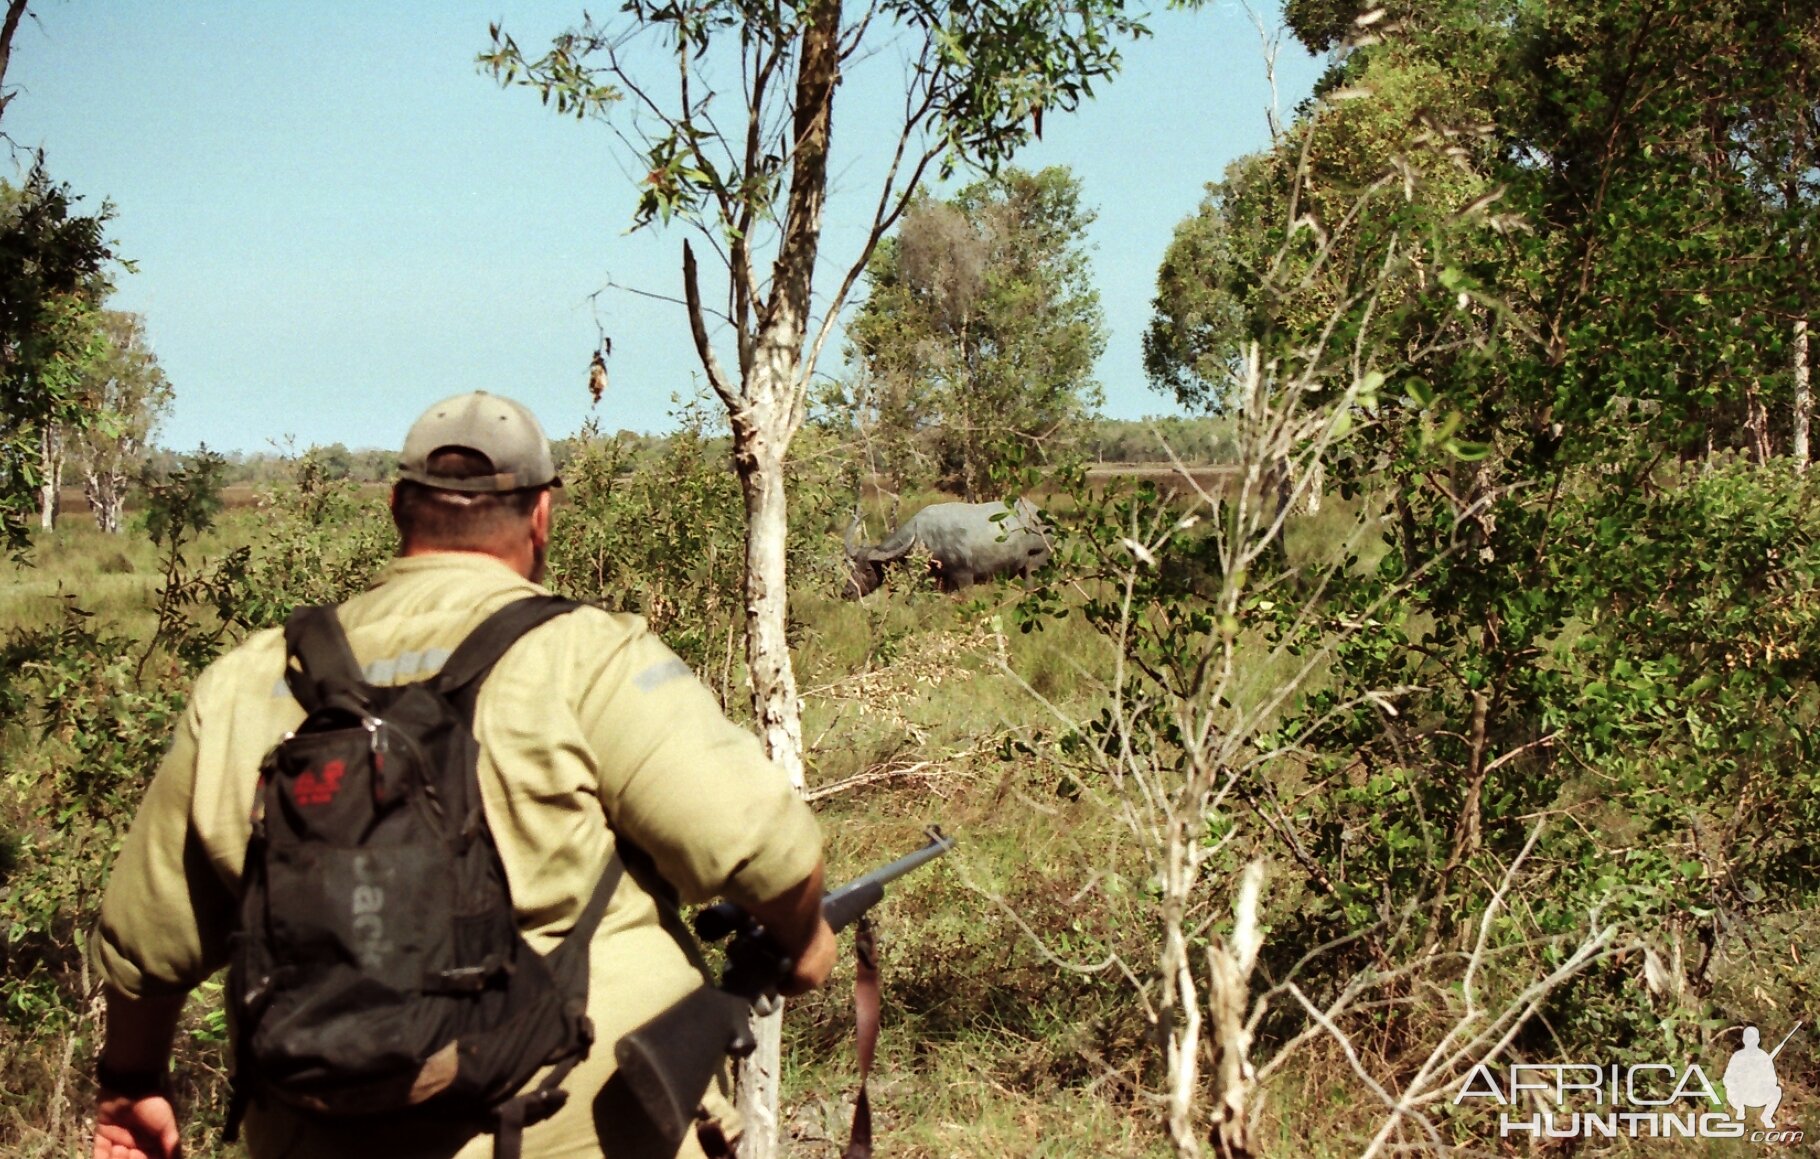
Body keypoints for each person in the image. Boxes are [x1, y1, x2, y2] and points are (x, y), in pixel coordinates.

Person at [90, 390, 835, 1159]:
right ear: (542, 515)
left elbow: (146, 944)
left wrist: (130, 1080)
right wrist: (805, 937)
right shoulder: (586, 655)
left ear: (395, 508)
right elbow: (762, 848)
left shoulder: (249, 680)